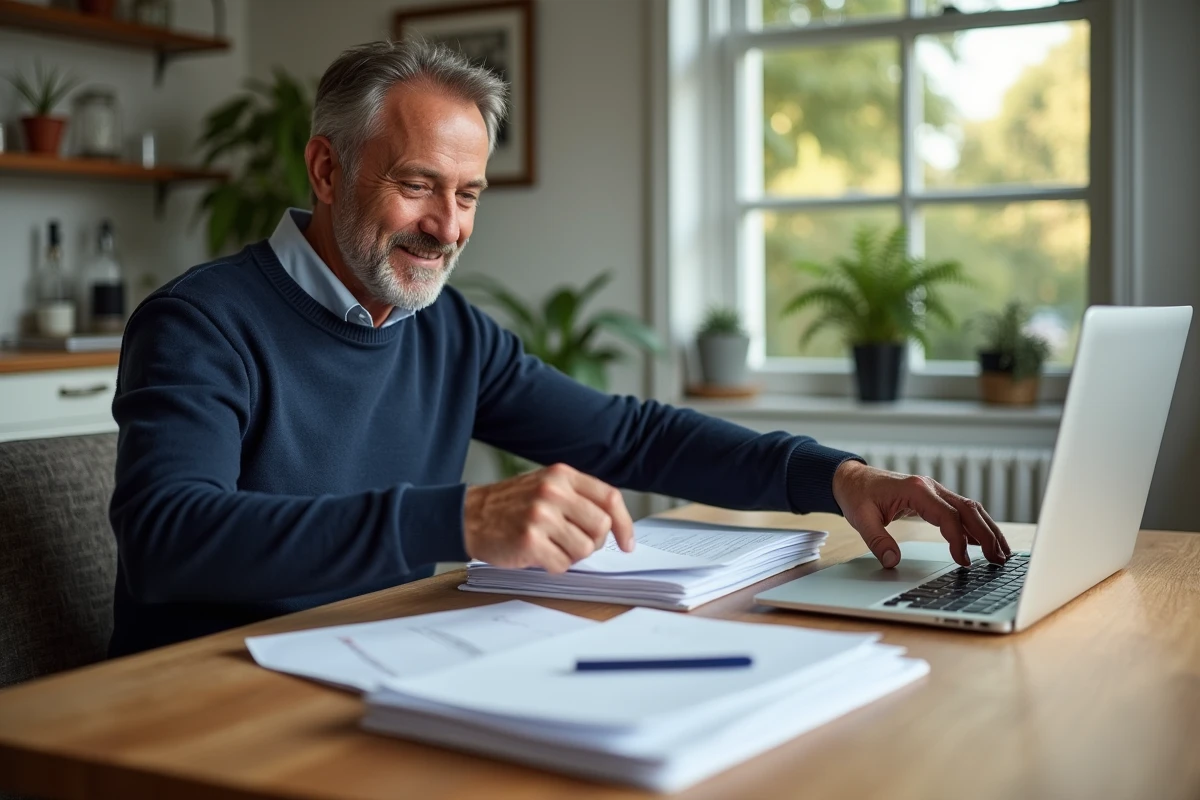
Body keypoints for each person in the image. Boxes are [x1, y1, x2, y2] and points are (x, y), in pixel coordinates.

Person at [108, 40, 1010, 657]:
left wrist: (838, 477)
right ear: (326, 169)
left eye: (468, 194)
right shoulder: (200, 322)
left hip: (377, 662)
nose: (447, 227)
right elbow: (167, 538)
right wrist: (459, 520)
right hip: (207, 690)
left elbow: (632, 436)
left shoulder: (449, 332)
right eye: (418, 185)